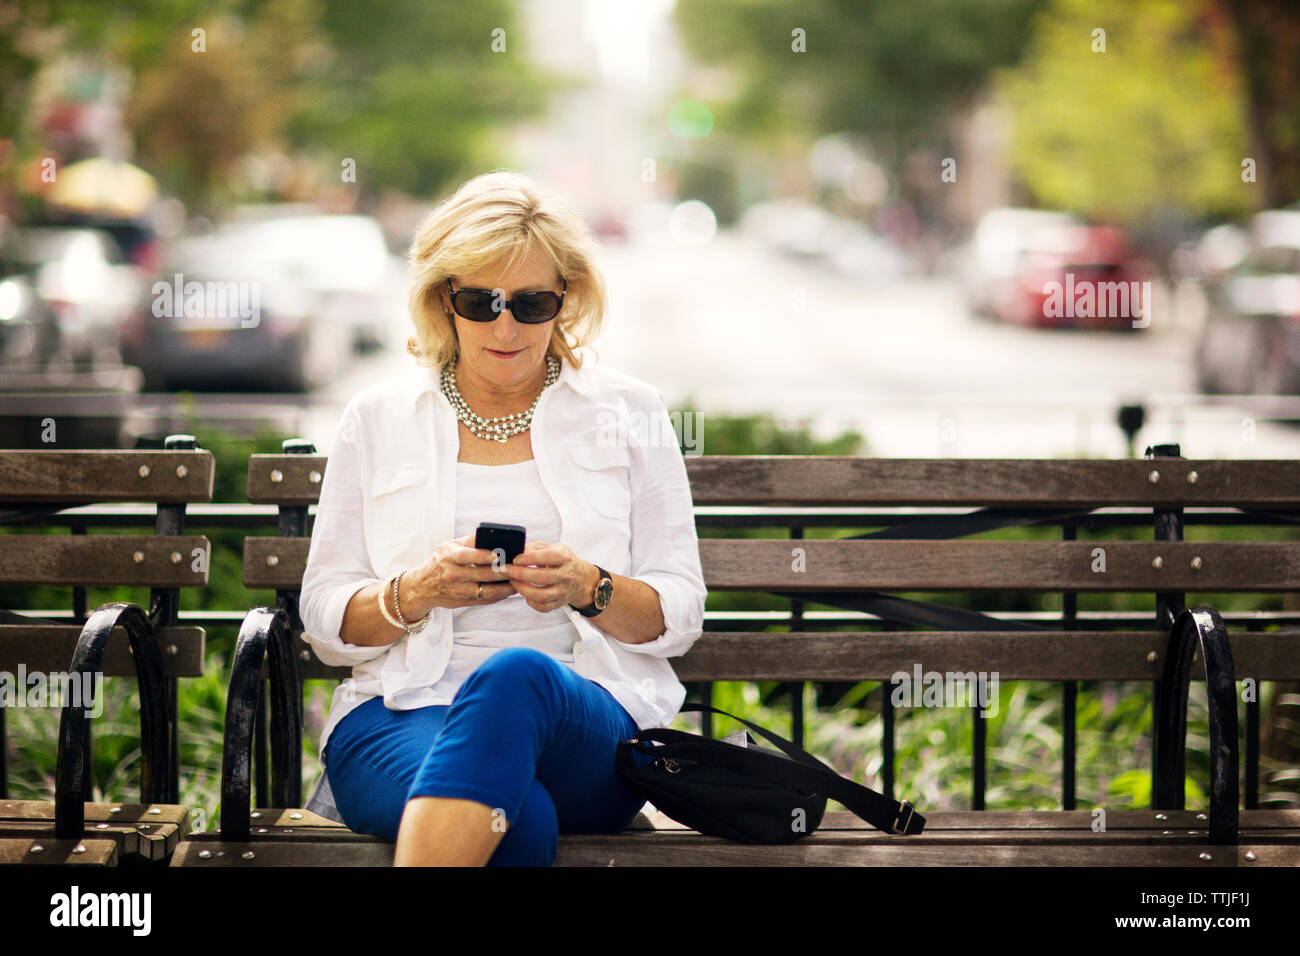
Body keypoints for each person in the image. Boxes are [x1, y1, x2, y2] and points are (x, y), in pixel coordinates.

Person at [298, 170, 706, 866]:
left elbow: (680, 614)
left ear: (566, 299)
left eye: (532, 301)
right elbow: (326, 621)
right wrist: (414, 593)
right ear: (442, 299)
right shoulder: (379, 418)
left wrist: (588, 585)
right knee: (513, 817)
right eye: (480, 301)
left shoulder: (629, 413)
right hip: (400, 712)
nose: (507, 325)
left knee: (516, 676)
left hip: (587, 722)